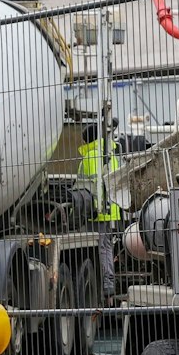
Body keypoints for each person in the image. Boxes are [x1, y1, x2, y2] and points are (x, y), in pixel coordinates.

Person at [78, 122, 122, 303]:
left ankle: (106, 286)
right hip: (112, 211)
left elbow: (80, 190)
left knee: (94, 250)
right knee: (106, 248)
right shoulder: (111, 156)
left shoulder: (87, 158)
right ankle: (109, 285)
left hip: (93, 213)